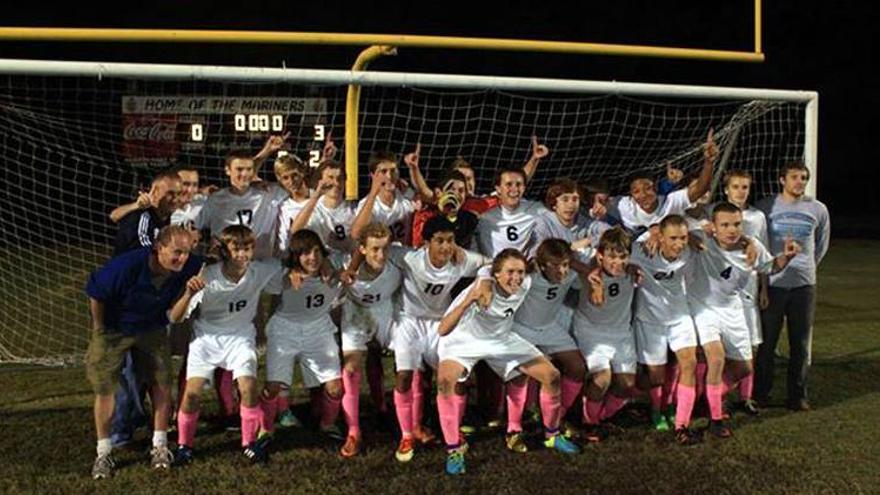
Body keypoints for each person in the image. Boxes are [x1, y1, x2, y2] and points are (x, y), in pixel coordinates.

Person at [437, 249, 580, 475]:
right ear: (496, 274)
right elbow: (443, 329)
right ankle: (454, 448)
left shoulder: (526, 282)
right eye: (510, 272)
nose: (516, 277)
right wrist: (468, 301)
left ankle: (551, 434)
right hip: (464, 340)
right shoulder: (482, 289)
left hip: (502, 339)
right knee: (445, 381)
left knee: (551, 376)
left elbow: (543, 259)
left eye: (520, 272)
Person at [85, 225, 202, 479]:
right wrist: (100, 329)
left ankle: (159, 446)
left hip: (152, 327)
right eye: (176, 252)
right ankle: (103, 453)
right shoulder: (127, 266)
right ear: (159, 248)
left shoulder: (190, 264)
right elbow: (96, 292)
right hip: (116, 328)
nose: (182, 258)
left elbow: (214, 261)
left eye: (187, 252)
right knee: (105, 388)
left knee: (161, 382)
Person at [168, 225, 283, 465]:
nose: (243, 254)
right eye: (237, 249)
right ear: (225, 251)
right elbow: (176, 317)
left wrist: (300, 271)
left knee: (248, 387)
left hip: (241, 337)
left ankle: (250, 443)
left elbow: (289, 264)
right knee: (191, 395)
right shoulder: (207, 275)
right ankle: (184, 446)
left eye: (248, 249)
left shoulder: (260, 271)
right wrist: (188, 294)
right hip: (206, 338)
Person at [686, 202, 800, 437]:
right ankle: (715, 420)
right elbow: (676, 231)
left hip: (733, 310)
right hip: (704, 308)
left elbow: (770, 267)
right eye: (725, 225)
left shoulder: (752, 246)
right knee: (716, 359)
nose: (731, 229)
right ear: (713, 227)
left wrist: (786, 257)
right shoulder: (702, 239)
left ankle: (709, 397)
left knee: (744, 368)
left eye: (736, 224)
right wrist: (690, 234)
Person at [386, 216, 490, 462]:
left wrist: (484, 281)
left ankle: (453, 430)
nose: (446, 247)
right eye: (440, 241)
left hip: (439, 323)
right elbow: (376, 246)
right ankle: (407, 434)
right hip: (408, 321)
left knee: (457, 377)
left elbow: (489, 263)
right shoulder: (410, 258)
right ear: (426, 243)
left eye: (451, 241)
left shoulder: (461, 260)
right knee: (404, 376)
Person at [754, 161, 830, 411]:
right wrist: (764, 284)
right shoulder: (766, 207)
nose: (800, 182)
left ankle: (797, 395)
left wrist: (806, 267)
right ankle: (761, 394)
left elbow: (821, 245)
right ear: (781, 179)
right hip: (773, 285)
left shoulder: (817, 209)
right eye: (795, 177)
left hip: (804, 287)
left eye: (804, 177)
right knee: (766, 344)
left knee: (800, 343)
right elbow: (759, 245)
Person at [259, 229, 345, 440]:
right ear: (296, 256)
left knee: (335, 388)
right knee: (272, 388)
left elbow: (351, 253)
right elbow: (260, 268)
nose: (313, 257)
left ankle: (328, 425)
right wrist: (288, 271)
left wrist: (331, 267)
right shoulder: (284, 275)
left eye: (316, 251)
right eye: (306, 253)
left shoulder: (332, 271)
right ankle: (266, 429)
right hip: (284, 330)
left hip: (319, 329)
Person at [629, 215, 703, 445]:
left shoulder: (689, 251)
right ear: (660, 237)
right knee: (656, 377)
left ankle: (681, 423)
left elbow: (707, 230)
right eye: (673, 238)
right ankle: (656, 410)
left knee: (689, 363)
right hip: (650, 320)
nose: (679, 244)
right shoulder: (642, 251)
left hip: (680, 316)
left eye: (683, 238)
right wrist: (649, 231)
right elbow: (617, 246)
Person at [510, 238, 590, 447]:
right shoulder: (528, 278)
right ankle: (514, 428)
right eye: (556, 266)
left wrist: (588, 275)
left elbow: (589, 273)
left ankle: (556, 417)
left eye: (565, 265)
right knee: (520, 375)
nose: (562, 271)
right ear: (543, 264)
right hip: (522, 329)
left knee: (578, 367)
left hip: (550, 328)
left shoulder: (570, 275)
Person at [338, 223, 402, 457]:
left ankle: (398, 418)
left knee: (405, 362)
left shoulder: (396, 266)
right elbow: (325, 263)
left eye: (385, 248)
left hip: (385, 312)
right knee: (351, 369)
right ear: (362, 250)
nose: (381, 255)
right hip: (355, 314)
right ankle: (354, 432)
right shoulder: (346, 266)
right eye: (374, 249)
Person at [572, 227, 639, 439]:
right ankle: (589, 423)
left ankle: (601, 416)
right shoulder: (588, 263)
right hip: (590, 331)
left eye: (623, 257)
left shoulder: (633, 268)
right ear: (600, 255)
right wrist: (587, 270)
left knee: (627, 385)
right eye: (611, 257)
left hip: (621, 332)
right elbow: (562, 251)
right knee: (602, 379)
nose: (617, 262)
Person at [609, 129, 718, 237]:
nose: (643, 195)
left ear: (656, 188)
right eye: (636, 191)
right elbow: (598, 199)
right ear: (631, 195)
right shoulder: (623, 205)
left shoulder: (670, 202)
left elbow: (700, 189)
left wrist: (708, 162)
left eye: (648, 188)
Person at [721, 170, 769, 414]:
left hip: (749, 290)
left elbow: (763, 256)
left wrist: (763, 288)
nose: (741, 191)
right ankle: (719, 397)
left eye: (745, 187)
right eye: (736, 186)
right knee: (726, 350)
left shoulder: (758, 217)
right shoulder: (714, 214)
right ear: (726, 189)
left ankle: (745, 397)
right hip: (723, 294)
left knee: (752, 347)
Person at [350, 151, 418, 245]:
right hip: (379, 255)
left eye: (393, 171)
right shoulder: (368, 204)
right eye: (383, 171)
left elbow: (428, 200)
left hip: (404, 253)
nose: (389, 176)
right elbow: (356, 234)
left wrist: (414, 169)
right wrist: (373, 192)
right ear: (373, 175)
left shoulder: (406, 197)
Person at [475, 166, 546, 257]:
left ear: (524, 188)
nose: (514, 189)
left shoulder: (535, 209)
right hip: (489, 268)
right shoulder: (483, 212)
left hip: (521, 269)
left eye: (518, 184)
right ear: (498, 189)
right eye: (509, 184)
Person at [291, 160, 357, 254]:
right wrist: (316, 195)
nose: (336, 183)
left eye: (340, 178)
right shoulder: (311, 209)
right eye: (331, 177)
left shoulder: (354, 209)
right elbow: (295, 231)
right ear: (320, 181)